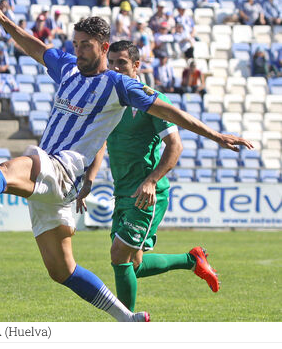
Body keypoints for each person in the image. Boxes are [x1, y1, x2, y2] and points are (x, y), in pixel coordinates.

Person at [0, 0, 252, 322]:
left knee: (9, 169)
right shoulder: (68, 67)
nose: (78, 51)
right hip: (62, 185)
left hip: (61, 166)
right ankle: (126, 317)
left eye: (85, 46)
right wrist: (4, 22)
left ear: (103, 46)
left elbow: (172, 112)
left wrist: (215, 135)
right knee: (62, 271)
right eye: (75, 44)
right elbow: (35, 46)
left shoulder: (120, 85)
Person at [74, 40, 219, 313]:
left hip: (146, 193)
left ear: (137, 66)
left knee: (119, 256)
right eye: (112, 62)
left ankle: (127, 327)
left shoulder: (152, 99)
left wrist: (151, 181)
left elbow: (175, 146)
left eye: (122, 63)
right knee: (135, 265)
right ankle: (192, 260)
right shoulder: (110, 100)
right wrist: (89, 180)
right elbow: (101, 142)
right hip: (122, 192)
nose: (115, 68)